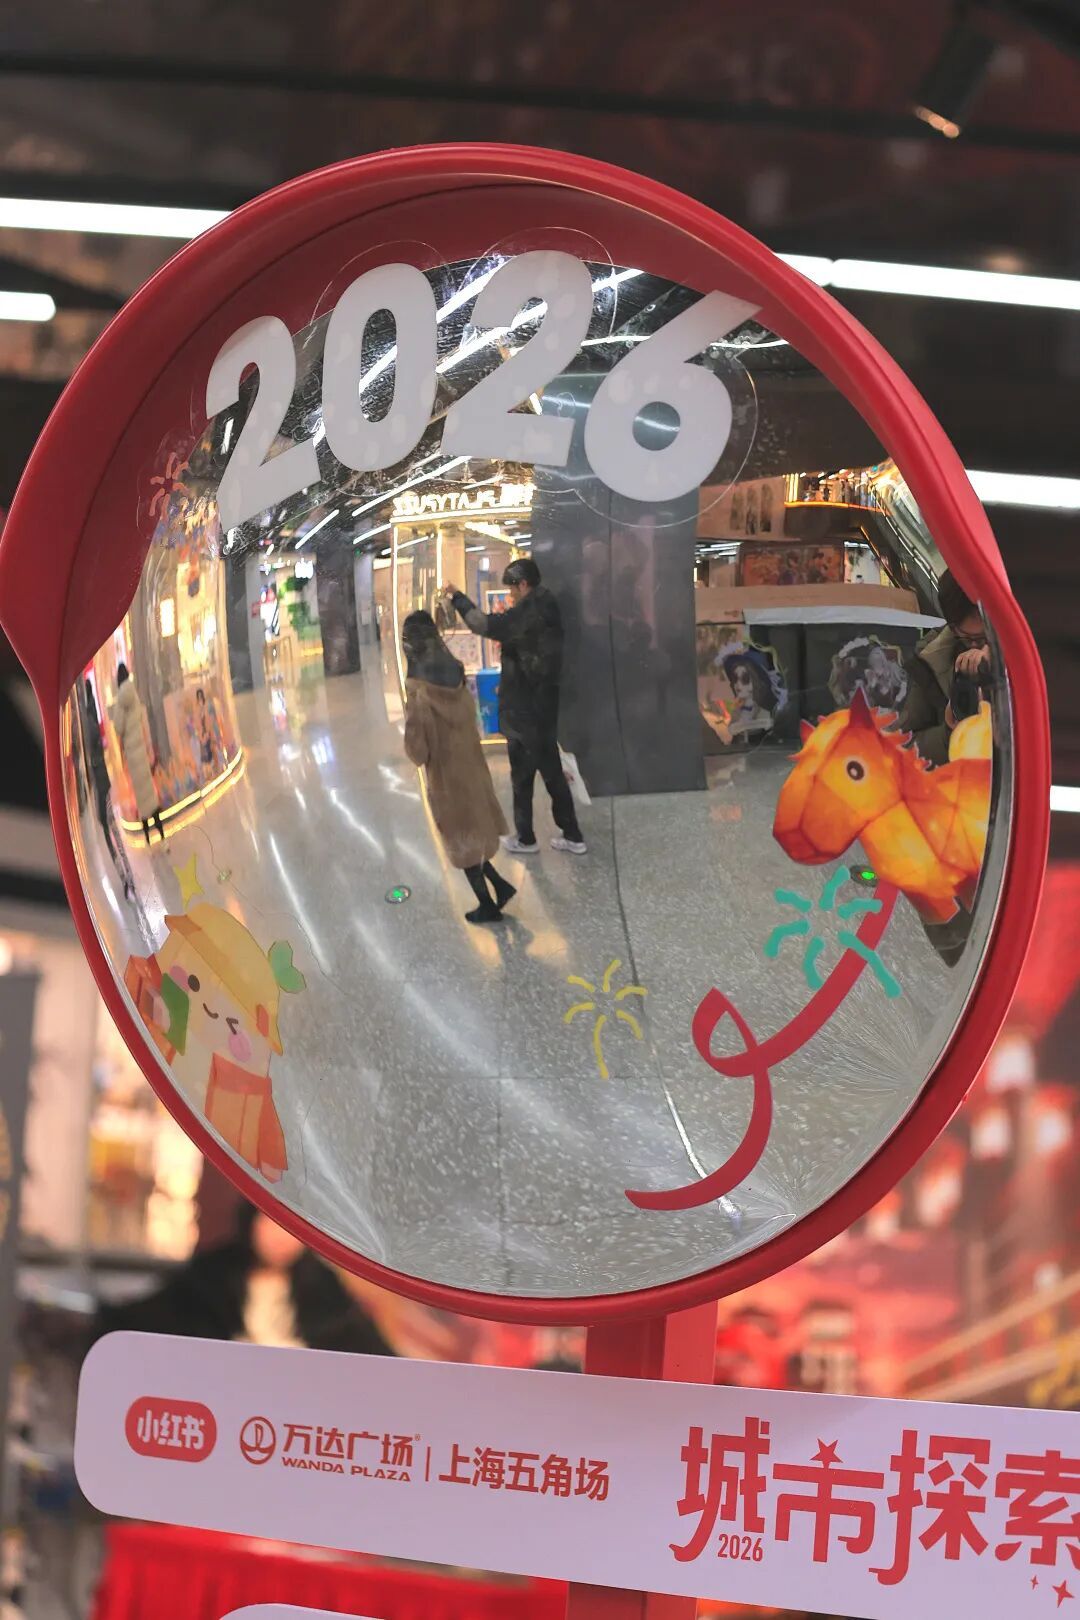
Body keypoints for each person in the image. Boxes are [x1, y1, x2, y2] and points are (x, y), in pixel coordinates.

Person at [96, 1201, 393, 1355]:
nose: (279, 1237)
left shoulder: (323, 1288)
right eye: (270, 1222)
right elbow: (160, 1314)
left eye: (291, 1228)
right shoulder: (213, 1275)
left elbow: (358, 1345)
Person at [442, 558, 586, 856]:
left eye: (512, 589)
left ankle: (526, 838)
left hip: (524, 712)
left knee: (521, 778)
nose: (510, 595)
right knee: (552, 773)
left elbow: (483, 624)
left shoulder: (529, 611)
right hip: (543, 707)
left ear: (523, 584)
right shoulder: (547, 604)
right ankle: (573, 835)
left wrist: (456, 596)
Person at [401, 610, 517, 925]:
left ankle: (487, 905)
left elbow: (417, 752)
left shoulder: (419, 692)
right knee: (474, 833)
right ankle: (500, 885)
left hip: (448, 778)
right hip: (473, 768)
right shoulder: (455, 672)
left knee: (462, 841)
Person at [899, 571, 991, 766]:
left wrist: (999, 664)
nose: (976, 646)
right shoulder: (929, 665)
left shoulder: (1020, 651)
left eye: (985, 637)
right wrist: (950, 732)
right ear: (952, 627)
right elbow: (905, 748)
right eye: (968, 638)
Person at [81, 679, 135, 901]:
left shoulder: (87, 721)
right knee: (110, 827)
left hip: (100, 783)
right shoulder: (90, 718)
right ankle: (126, 876)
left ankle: (126, 876)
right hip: (102, 782)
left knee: (108, 827)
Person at [109, 661, 164, 843]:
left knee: (141, 799)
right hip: (141, 750)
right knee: (150, 795)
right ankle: (163, 838)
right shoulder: (134, 693)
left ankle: (148, 840)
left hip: (132, 756)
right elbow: (140, 719)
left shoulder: (121, 701)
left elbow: (118, 727)